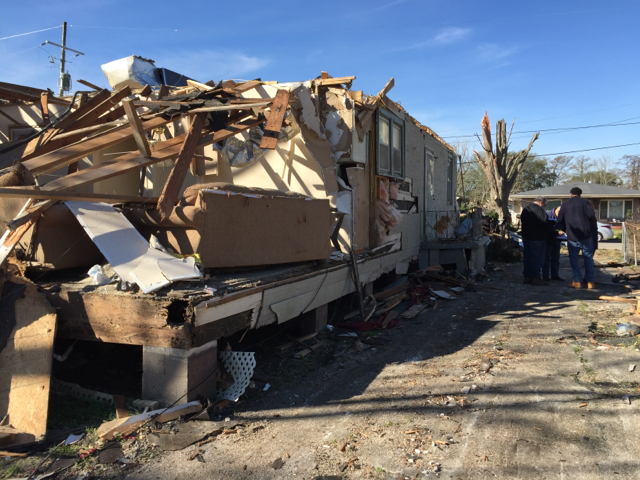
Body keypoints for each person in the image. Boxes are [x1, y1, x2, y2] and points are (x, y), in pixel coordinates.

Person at [557, 187, 596, 289]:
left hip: (573, 235)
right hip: (586, 234)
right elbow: (591, 215)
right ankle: (590, 282)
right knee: (588, 258)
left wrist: (563, 228)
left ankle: (577, 281)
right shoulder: (586, 203)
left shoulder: (565, 205)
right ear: (580, 194)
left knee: (574, 259)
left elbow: (560, 219)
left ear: (571, 194)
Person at [520, 196, 549, 286]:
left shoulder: (526, 209)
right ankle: (536, 277)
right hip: (538, 237)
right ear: (541, 202)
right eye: (544, 204)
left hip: (526, 236)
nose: (544, 206)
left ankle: (527, 276)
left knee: (528, 257)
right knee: (537, 257)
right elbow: (545, 221)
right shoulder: (539, 210)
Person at [542, 206, 566, 281]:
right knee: (547, 258)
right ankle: (545, 275)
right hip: (548, 239)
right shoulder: (547, 215)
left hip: (557, 240)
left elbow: (564, 226)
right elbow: (546, 227)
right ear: (557, 211)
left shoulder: (563, 217)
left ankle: (555, 275)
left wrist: (563, 231)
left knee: (555, 258)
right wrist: (556, 233)